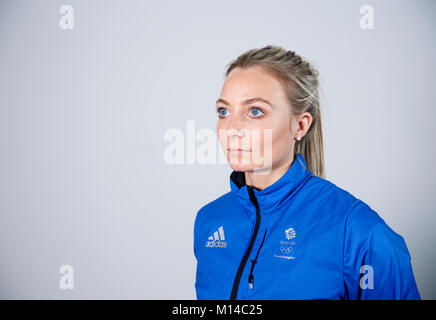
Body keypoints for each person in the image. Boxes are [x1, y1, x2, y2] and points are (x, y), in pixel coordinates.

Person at [193, 45, 421, 300]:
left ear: (300, 125)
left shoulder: (359, 232)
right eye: (223, 111)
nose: (232, 128)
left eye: (255, 111)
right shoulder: (210, 220)